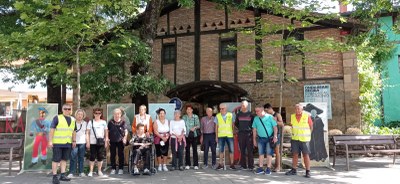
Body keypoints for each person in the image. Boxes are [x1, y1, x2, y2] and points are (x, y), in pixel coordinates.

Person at [48, 104, 76, 184]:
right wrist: (50, 141)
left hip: (68, 143)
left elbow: (74, 131)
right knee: (56, 160)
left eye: (69, 109)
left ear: (71, 110)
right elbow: (52, 130)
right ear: (62, 109)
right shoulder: (57, 118)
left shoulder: (73, 119)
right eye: (65, 109)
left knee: (64, 159)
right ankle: (54, 176)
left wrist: (74, 141)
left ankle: (62, 175)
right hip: (58, 143)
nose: (67, 110)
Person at [285, 104, 313, 178]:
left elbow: (311, 127)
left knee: (306, 155)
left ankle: (308, 171)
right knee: (295, 154)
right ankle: (294, 170)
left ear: (302, 109)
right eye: (296, 109)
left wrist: (308, 135)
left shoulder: (307, 116)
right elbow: (292, 126)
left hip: (305, 139)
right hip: (295, 139)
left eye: (298, 109)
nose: (297, 110)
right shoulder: (292, 116)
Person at [252, 106, 277, 175]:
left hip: (269, 138)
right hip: (260, 138)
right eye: (256, 111)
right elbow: (254, 130)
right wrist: (254, 140)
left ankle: (268, 168)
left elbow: (275, 127)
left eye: (258, 111)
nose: (256, 112)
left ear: (262, 110)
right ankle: (261, 168)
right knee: (261, 153)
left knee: (269, 154)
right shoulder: (256, 118)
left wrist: (275, 136)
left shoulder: (270, 117)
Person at [87, 108, 108, 177]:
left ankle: (99, 171)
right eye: (96, 113)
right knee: (92, 156)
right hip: (92, 142)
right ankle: (91, 171)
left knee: (100, 157)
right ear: (94, 114)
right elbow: (87, 132)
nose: (97, 114)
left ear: (101, 114)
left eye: (99, 113)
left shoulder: (103, 122)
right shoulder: (90, 122)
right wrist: (88, 142)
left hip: (101, 142)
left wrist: (106, 140)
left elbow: (106, 132)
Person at [107, 108, 128, 175]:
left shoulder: (123, 122)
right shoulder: (110, 122)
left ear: (120, 114)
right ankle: (113, 168)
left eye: (118, 114)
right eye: (115, 114)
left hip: (120, 141)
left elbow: (126, 131)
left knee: (120, 154)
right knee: (112, 155)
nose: (117, 115)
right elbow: (107, 131)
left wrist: (125, 138)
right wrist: (107, 138)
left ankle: (121, 168)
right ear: (113, 114)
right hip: (112, 140)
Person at [215, 103, 236, 170]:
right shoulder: (217, 116)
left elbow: (233, 125)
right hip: (221, 135)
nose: (221, 110)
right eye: (220, 109)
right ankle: (220, 164)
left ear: (226, 108)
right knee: (221, 151)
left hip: (229, 135)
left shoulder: (230, 115)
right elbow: (216, 127)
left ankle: (232, 164)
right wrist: (216, 136)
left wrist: (233, 133)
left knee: (231, 150)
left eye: (222, 108)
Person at [264, 103, 284, 172]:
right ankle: (270, 166)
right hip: (268, 135)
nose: (265, 112)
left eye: (266, 111)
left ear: (270, 109)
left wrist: (275, 121)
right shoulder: (266, 116)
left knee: (276, 151)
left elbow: (282, 124)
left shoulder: (277, 115)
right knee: (268, 151)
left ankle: (278, 166)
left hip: (276, 135)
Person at [235, 100, 254, 170]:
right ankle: (243, 165)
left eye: (243, 105)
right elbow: (236, 123)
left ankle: (251, 166)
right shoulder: (238, 114)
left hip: (249, 134)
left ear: (246, 106)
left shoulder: (251, 114)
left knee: (250, 150)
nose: (242, 106)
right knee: (242, 150)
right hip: (241, 133)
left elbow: (253, 124)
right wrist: (240, 129)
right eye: (241, 105)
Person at [68, 109, 87, 178]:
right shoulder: (72, 122)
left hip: (82, 142)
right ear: (76, 115)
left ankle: (81, 172)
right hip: (74, 142)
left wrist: (87, 142)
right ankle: (71, 172)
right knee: (73, 157)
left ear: (83, 116)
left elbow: (86, 133)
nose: (80, 115)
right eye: (78, 114)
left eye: (81, 114)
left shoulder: (85, 123)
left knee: (81, 158)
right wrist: (73, 141)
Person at [182, 104, 200, 170]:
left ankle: (196, 164)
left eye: (190, 109)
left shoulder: (195, 117)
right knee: (187, 150)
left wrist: (194, 127)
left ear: (192, 110)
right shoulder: (184, 117)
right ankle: (187, 164)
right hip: (186, 135)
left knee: (195, 150)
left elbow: (198, 125)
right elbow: (182, 125)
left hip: (194, 135)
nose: (189, 111)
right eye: (187, 109)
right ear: (186, 110)